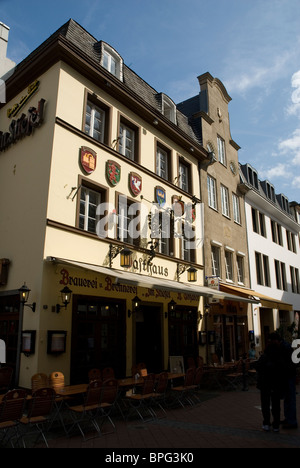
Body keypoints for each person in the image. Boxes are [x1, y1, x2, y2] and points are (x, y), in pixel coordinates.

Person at [255, 333, 289, 432]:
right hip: (276, 385)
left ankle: (266, 423)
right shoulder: (279, 357)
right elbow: (284, 370)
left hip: (265, 384)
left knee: (265, 404)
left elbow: (258, 367)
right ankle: (276, 425)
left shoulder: (264, 357)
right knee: (276, 405)